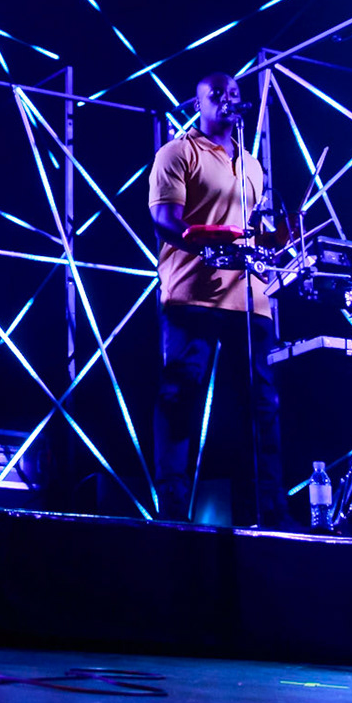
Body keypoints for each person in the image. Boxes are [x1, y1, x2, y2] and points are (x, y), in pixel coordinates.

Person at [148, 71, 286, 527]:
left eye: (234, 94)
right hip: (193, 295)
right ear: (198, 102)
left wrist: (278, 238)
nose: (228, 100)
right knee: (180, 397)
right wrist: (207, 244)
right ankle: (172, 513)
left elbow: (255, 234)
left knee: (261, 404)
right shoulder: (176, 153)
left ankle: (267, 511)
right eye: (217, 94)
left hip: (249, 299)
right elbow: (165, 221)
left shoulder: (253, 165)